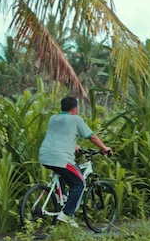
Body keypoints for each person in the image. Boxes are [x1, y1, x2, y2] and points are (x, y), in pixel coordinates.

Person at [38, 96, 112, 228]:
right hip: (61, 158)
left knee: (65, 172)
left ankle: (63, 197)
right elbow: (92, 137)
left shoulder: (53, 118)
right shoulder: (76, 119)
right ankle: (67, 214)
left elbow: (59, 136)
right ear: (75, 108)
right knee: (79, 183)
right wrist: (104, 148)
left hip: (45, 155)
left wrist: (74, 146)